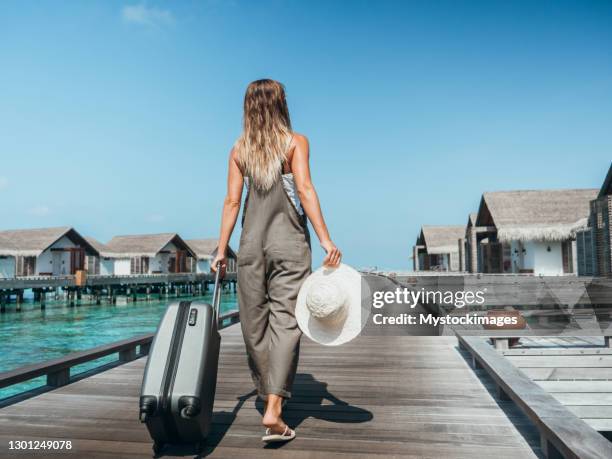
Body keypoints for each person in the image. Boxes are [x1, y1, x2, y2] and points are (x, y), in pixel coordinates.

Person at [212, 79, 341, 442]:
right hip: (290, 246)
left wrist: (222, 250)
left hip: (250, 247)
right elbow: (305, 189)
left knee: (254, 326)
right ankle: (274, 408)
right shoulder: (295, 142)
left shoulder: (239, 149)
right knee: (286, 322)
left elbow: (232, 203)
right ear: (280, 104)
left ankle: (267, 395)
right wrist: (325, 238)